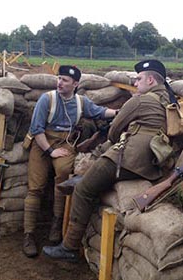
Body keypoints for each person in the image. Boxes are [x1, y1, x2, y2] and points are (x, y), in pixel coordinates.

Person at [43, 60, 172, 261]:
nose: (136, 83)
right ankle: (87, 178)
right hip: (151, 161)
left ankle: (69, 247)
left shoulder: (141, 100)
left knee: (83, 190)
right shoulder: (167, 100)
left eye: (139, 79)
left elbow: (114, 132)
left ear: (150, 79)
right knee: (94, 174)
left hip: (127, 159)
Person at [23, 65, 117, 257]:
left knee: (64, 176)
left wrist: (121, 112)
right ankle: (28, 235)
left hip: (65, 144)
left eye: (65, 80)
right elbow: (36, 129)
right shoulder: (46, 99)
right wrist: (50, 151)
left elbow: (100, 112)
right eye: (59, 78)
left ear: (75, 84)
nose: (60, 83)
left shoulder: (81, 102)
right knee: (36, 186)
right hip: (42, 143)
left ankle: (56, 226)